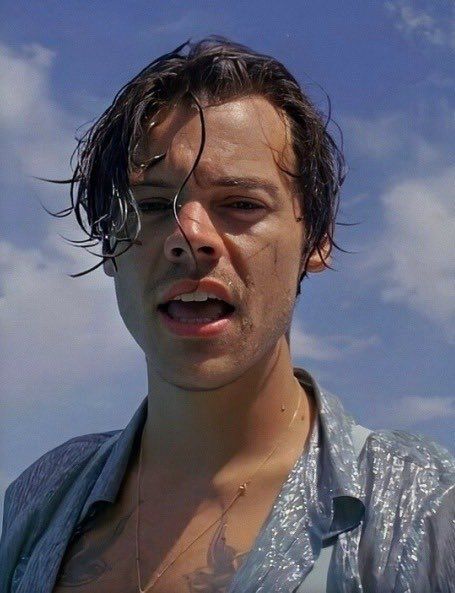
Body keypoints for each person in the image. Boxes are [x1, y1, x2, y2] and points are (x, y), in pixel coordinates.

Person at [0, 37, 453, 593]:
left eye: (241, 204)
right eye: (148, 205)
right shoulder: (39, 499)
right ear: (109, 244)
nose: (189, 238)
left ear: (317, 239)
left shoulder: (420, 506)